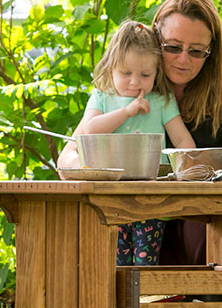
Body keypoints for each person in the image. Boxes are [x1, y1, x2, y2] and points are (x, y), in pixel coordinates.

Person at [57, 0, 222, 265]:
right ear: (154, 40)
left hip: (202, 220)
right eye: (173, 47)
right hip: (130, 211)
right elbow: (69, 156)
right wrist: (106, 171)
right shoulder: (122, 91)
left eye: (196, 51)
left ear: (211, 53)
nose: (183, 60)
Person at [81, 19, 195, 266]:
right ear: (111, 68)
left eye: (145, 75)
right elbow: (90, 131)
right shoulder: (102, 97)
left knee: (145, 262)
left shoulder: (161, 101)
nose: (135, 82)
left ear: (156, 73)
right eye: (126, 73)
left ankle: (142, 304)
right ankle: (119, 305)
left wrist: (190, 167)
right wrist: (128, 111)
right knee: (115, 261)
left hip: (150, 199)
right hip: (111, 199)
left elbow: (182, 139)